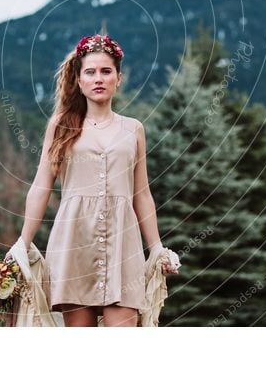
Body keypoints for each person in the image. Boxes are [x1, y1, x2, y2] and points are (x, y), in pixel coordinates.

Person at [14, 33, 179, 327]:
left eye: (106, 71)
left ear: (118, 77)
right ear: (79, 80)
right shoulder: (61, 125)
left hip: (123, 245)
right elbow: (41, 186)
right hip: (73, 243)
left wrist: (156, 248)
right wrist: (22, 243)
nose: (98, 78)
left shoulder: (134, 129)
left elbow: (141, 194)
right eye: (90, 72)